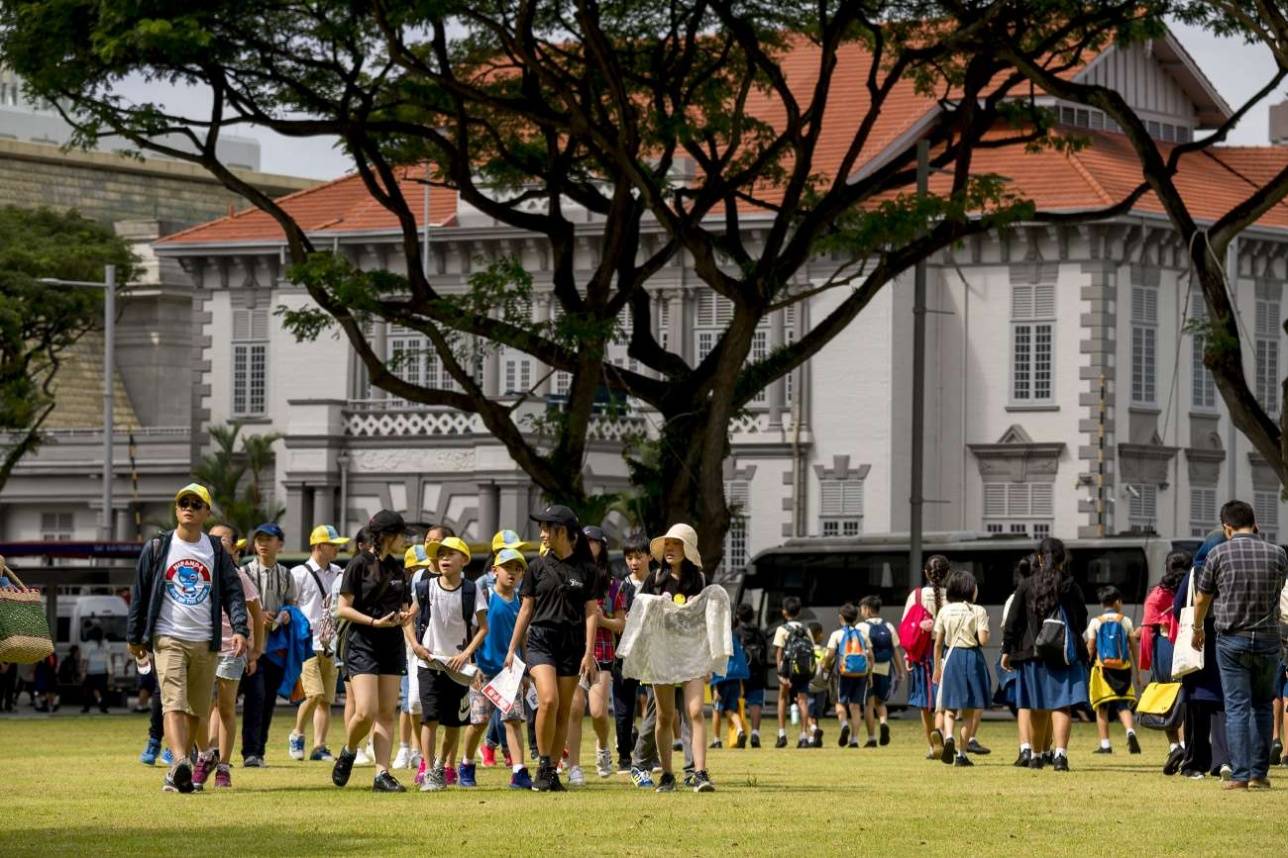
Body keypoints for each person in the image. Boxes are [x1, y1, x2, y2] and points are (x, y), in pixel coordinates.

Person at [126, 482, 249, 793]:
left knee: (196, 708)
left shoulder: (215, 550)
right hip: (168, 637)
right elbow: (139, 594)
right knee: (174, 703)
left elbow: (234, 593)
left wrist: (240, 629)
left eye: (196, 504)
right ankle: (180, 761)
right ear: (176, 508)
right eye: (184, 503)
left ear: (207, 512)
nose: (189, 508)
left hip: (206, 642)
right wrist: (135, 638)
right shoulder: (158, 546)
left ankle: (182, 771)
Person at [1192, 500, 1288, 790]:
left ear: (1227, 527)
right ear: (1254, 522)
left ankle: (1240, 774)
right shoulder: (1277, 554)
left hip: (1231, 638)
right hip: (1269, 638)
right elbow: (1277, 593)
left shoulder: (1218, 553)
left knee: (1236, 707)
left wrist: (1198, 628)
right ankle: (1259, 774)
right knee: (1261, 705)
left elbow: (1202, 598)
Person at [505, 505, 599, 792]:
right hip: (541, 640)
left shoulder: (587, 570)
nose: (542, 533)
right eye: (542, 527)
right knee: (548, 700)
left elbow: (592, 612)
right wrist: (512, 650)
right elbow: (525, 610)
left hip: (572, 643)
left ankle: (551, 771)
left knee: (563, 711)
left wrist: (588, 651)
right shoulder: (536, 567)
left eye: (547, 528)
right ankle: (544, 762)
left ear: (563, 531)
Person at [330, 510, 415, 793]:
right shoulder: (358, 564)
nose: (405, 541)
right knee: (365, 711)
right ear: (387, 536)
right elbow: (343, 608)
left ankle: (382, 774)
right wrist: (374, 622)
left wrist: (405, 616)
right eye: (402, 535)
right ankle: (349, 749)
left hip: (391, 643)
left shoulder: (398, 570)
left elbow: (403, 607)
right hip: (363, 642)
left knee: (386, 714)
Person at [636, 523, 717, 792]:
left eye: (676, 543)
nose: (669, 548)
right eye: (667, 544)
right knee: (664, 716)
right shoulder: (654, 579)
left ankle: (701, 772)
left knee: (695, 711)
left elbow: (708, 621)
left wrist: (709, 660)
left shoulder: (701, 581)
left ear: (688, 548)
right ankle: (667, 774)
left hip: (692, 653)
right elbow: (640, 617)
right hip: (662, 653)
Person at [1001, 536, 1088, 772]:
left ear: (1039, 557)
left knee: (1037, 705)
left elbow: (1013, 621)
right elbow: (1081, 619)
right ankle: (1060, 756)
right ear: (1062, 559)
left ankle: (1037, 755)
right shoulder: (1069, 584)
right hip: (1062, 653)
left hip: (1032, 653)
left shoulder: (1026, 585)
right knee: (1062, 705)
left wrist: (1007, 650)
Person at [411, 535, 488, 792]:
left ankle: (443, 764)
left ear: (464, 560)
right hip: (429, 664)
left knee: (454, 724)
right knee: (429, 718)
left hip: (458, 668)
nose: (444, 558)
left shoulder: (471, 590)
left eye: (450, 554)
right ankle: (430, 770)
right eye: (440, 554)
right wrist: (415, 645)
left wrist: (466, 654)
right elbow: (408, 620)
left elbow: (483, 628)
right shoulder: (425, 588)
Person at [462, 546, 533, 789]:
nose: (512, 573)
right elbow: (473, 631)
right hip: (483, 671)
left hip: (509, 673)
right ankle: (467, 764)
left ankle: (519, 771)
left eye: (518, 569)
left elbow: (523, 638)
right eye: (507, 568)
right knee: (478, 722)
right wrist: (471, 665)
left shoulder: (520, 602)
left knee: (512, 720)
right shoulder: (486, 597)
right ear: (494, 571)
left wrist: (525, 672)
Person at [203, 523, 265, 788]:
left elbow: (257, 616)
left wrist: (256, 650)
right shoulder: (200, 573)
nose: (215, 543)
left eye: (222, 539)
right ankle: (206, 755)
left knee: (226, 706)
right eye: (212, 538)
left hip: (232, 648)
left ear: (233, 547)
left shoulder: (239, 577)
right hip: (204, 647)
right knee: (206, 707)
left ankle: (223, 768)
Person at [563, 524, 621, 783]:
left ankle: (602, 745)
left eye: (593, 542)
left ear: (602, 546)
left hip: (603, 652)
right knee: (575, 709)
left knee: (598, 712)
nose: (587, 546)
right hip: (574, 650)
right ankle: (574, 765)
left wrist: (602, 621)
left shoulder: (613, 586)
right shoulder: (572, 577)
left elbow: (622, 624)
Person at [288, 524, 349, 763]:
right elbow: (292, 607)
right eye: (332, 545)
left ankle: (319, 746)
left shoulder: (338, 573)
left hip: (330, 643)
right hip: (307, 642)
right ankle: (297, 734)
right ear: (319, 546)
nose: (336, 549)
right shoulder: (298, 574)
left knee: (326, 699)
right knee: (313, 694)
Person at [240, 522, 298, 768]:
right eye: (259, 539)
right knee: (243, 698)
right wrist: (256, 616)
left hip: (274, 648)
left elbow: (292, 606)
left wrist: (284, 615)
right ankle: (225, 751)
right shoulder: (244, 572)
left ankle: (256, 751)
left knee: (266, 700)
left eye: (269, 539)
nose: (263, 543)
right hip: (247, 646)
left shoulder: (286, 574)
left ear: (280, 544)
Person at [1174, 532, 1231, 780]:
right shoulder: (1230, 572)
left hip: (1197, 645)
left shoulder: (1195, 574)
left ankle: (1194, 763)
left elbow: (1178, 608)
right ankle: (1223, 761)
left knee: (1196, 704)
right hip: (1225, 641)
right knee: (1223, 704)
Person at [932, 570, 991, 766]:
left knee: (949, 707)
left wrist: (936, 669)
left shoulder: (944, 611)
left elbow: (938, 643)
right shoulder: (978, 611)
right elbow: (983, 640)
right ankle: (962, 754)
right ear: (970, 589)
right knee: (968, 713)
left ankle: (948, 736)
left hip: (951, 658)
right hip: (972, 658)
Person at [1142, 550, 1189, 774]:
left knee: (1166, 697)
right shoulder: (1194, 589)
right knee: (1189, 699)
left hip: (1164, 648)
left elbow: (1146, 628)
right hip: (1189, 647)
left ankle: (1174, 746)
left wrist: (1146, 658)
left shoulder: (1157, 593)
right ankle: (1189, 748)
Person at [904, 554, 950, 759]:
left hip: (922, 651)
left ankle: (933, 746)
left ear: (926, 573)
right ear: (947, 574)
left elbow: (907, 626)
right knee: (943, 697)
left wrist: (908, 655)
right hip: (945, 650)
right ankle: (940, 732)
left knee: (925, 701)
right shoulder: (952, 595)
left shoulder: (917, 595)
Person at [1085, 585, 1140, 755]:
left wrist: (1087, 665)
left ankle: (1105, 744)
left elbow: (1091, 646)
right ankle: (1130, 731)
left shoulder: (1095, 622)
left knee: (1102, 707)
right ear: (1117, 602)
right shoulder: (1125, 621)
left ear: (1102, 603)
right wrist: (1138, 671)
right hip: (1123, 669)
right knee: (1123, 704)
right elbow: (1133, 647)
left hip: (1103, 670)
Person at [612, 535, 651, 770]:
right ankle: (625, 756)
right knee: (624, 710)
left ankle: (650, 754)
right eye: (629, 557)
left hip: (650, 655)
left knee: (655, 706)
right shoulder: (620, 586)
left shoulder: (657, 583)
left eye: (638, 556)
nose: (634, 562)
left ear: (649, 556)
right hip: (624, 655)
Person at [399, 543, 434, 779]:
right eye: (414, 569)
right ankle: (411, 750)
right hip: (411, 650)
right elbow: (406, 617)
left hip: (432, 648)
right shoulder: (406, 588)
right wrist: (412, 645)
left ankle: (424, 755)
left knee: (426, 705)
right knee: (410, 703)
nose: (419, 573)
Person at [822, 602, 871, 749]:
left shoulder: (837, 634)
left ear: (840, 618)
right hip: (861, 673)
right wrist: (869, 673)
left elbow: (830, 655)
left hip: (843, 674)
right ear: (856, 618)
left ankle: (844, 724)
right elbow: (870, 655)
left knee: (840, 702)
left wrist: (825, 666)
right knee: (855, 706)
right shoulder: (862, 634)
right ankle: (854, 739)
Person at [772, 596, 819, 748]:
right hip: (803, 671)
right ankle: (804, 736)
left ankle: (782, 734)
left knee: (782, 699)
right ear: (799, 612)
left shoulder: (782, 629)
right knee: (803, 701)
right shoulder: (805, 629)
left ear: (784, 612)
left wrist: (780, 671)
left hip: (787, 671)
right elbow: (811, 649)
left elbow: (778, 652)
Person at [858, 595, 903, 748]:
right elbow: (895, 650)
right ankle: (883, 722)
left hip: (868, 669)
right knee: (881, 701)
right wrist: (900, 670)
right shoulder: (889, 626)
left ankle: (871, 738)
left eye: (862, 608)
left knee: (869, 705)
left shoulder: (861, 627)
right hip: (885, 668)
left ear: (868, 609)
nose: (861, 612)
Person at [710, 610, 750, 749]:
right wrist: (740, 682)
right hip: (735, 678)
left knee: (717, 710)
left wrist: (714, 686)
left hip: (721, 679)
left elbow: (715, 660)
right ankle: (740, 731)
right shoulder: (733, 637)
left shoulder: (717, 638)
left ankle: (716, 740)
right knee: (730, 710)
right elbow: (740, 660)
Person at [80, 625, 111, 713]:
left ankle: (86, 707)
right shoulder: (106, 644)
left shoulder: (88, 644)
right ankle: (103, 707)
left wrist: (82, 671)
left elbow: (84, 660)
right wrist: (111, 672)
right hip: (103, 672)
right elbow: (109, 658)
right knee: (103, 691)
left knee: (87, 691)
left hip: (91, 672)